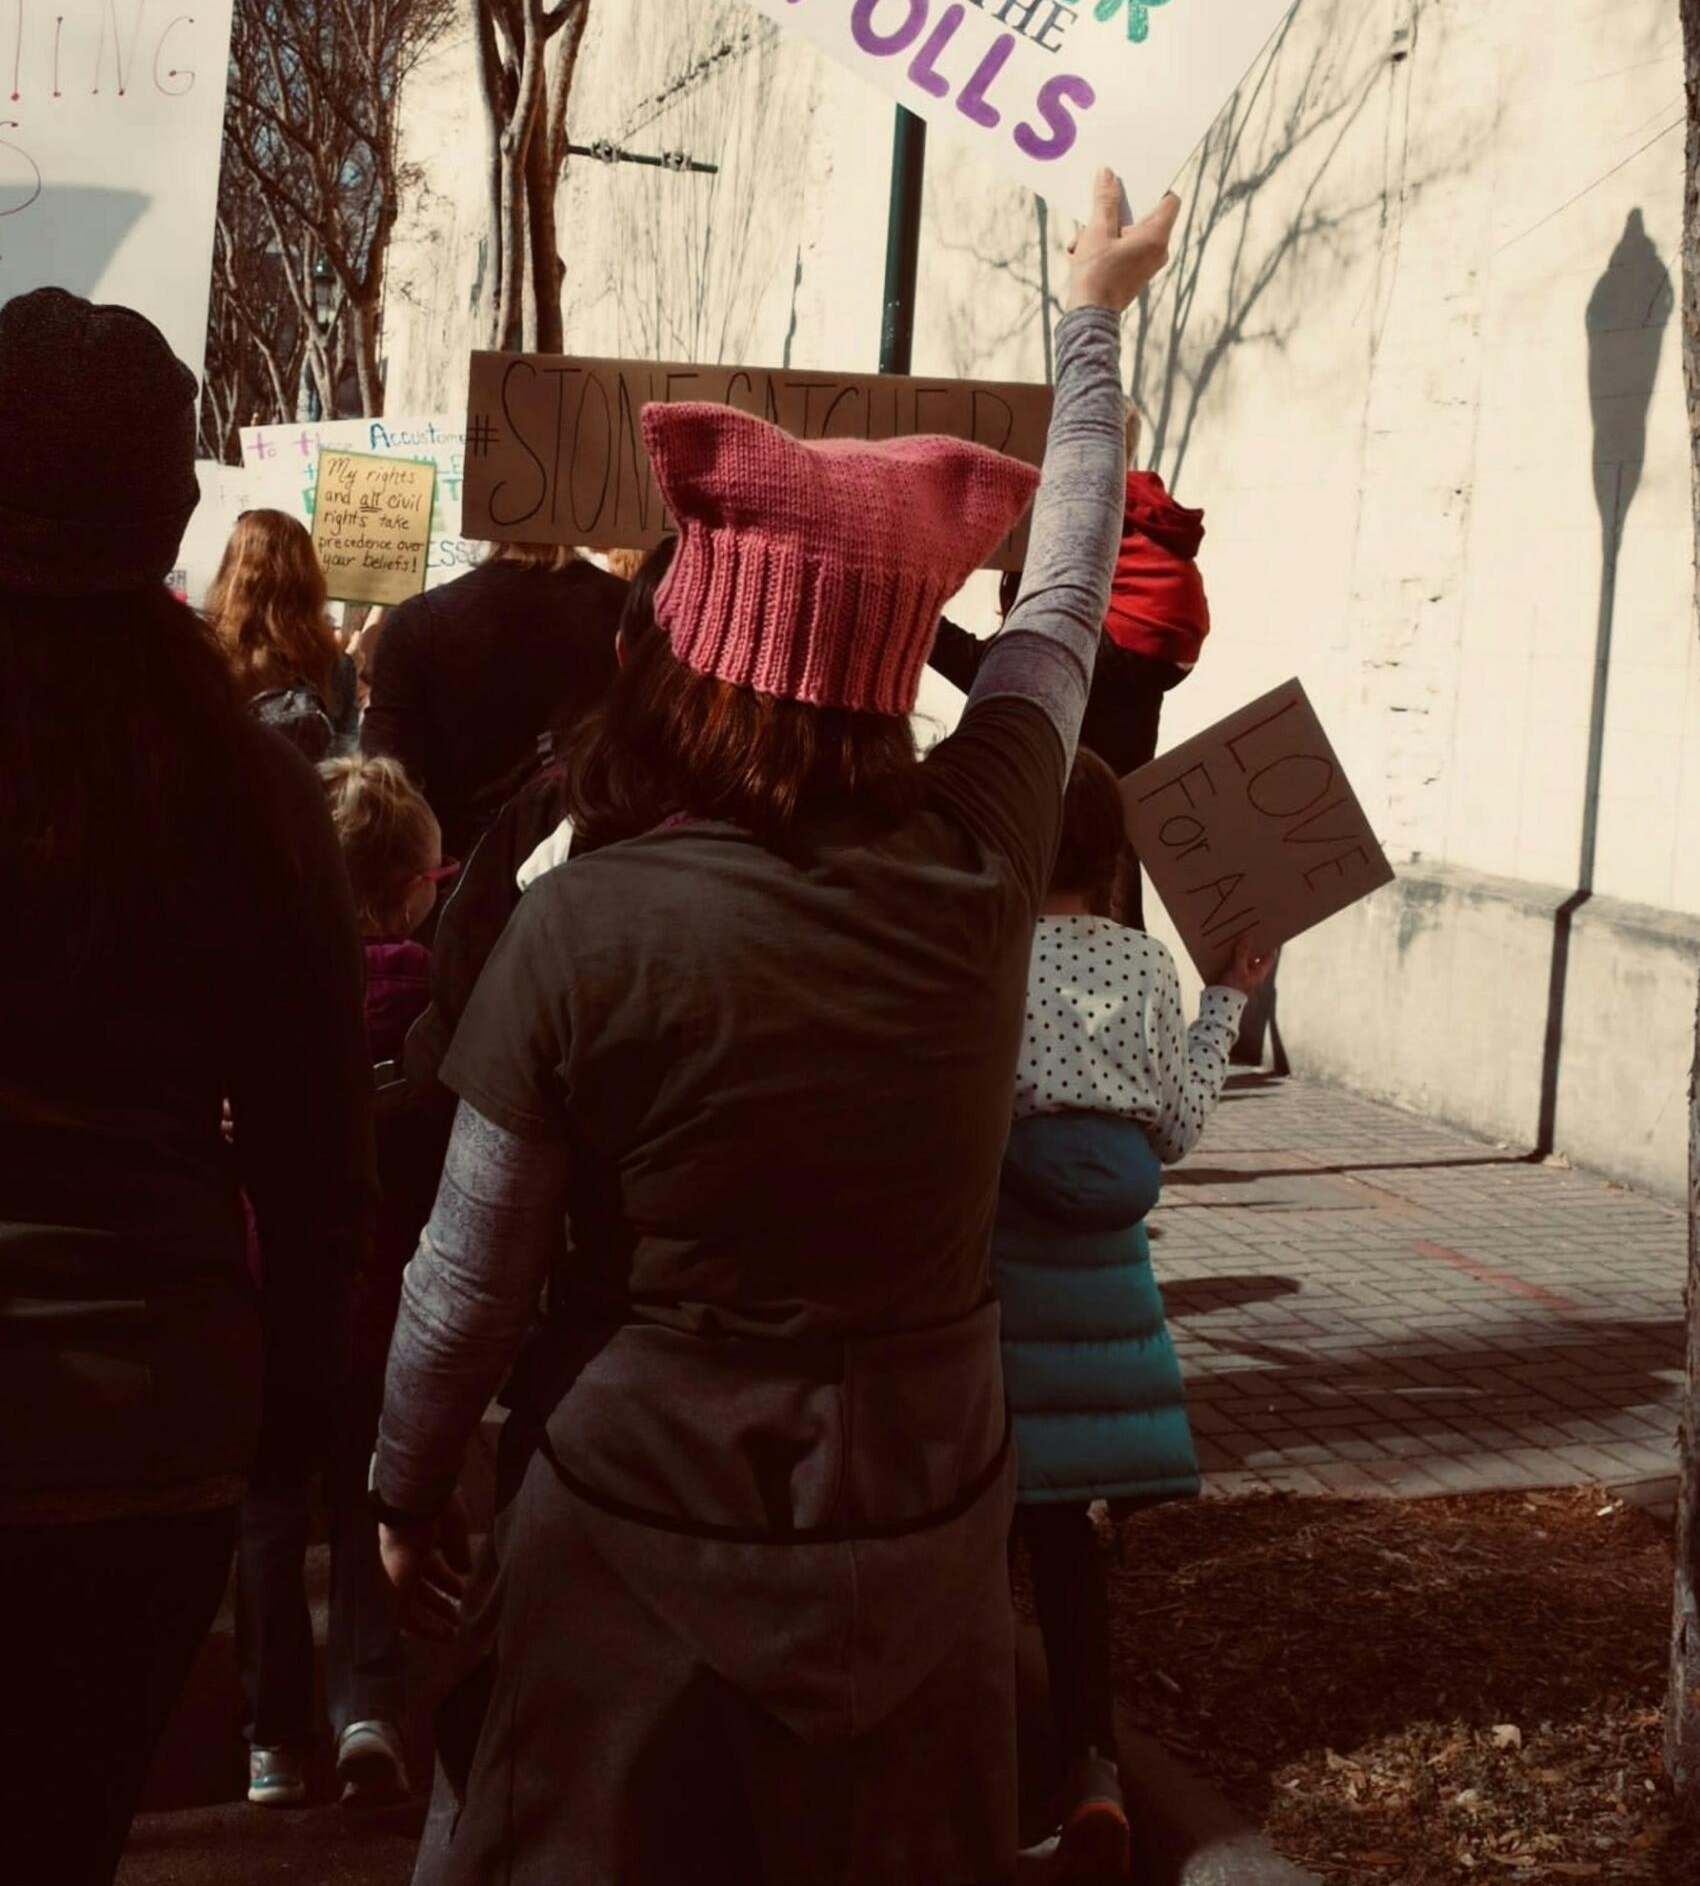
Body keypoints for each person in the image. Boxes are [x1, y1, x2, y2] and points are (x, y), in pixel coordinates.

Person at [369, 171, 1177, 1886]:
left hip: (628, 1568)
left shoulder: (583, 923)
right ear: (890, 667)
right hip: (924, 1556)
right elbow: (1057, 602)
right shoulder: (980, 860)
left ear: (678, 659)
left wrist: (403, 1479)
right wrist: (1089, 320)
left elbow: (467, 1279)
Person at [0, 287, 373, 1886]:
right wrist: (299, 1421)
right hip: (150, 1431)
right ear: (164, 506)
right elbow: (317, 1155)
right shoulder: (257, 784)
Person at [995, 747, 1276, 1878]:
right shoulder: (1147, 966)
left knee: (978, 1529)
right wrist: (1227, 997)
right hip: (1104, 1286)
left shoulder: (987, 956)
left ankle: (968, 1768)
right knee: (1067, 1544)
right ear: (1113, 854)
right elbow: (1175, 1125)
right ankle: (1093, 1768)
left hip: (1002, 1284)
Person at [236, 756, 455, 1811]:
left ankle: (274, 1737)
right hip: (392, 1302)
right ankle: (367, 1705)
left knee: (269, 1508)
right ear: (415, 884)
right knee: (370, 1506)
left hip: (273, 1295)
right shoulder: (435, 999)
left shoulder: (268, 992)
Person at [402, 538, 677, 1103]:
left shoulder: (423, 622)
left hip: (463, 924)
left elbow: (393, 777)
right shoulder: (836, 842)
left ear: (623, 653)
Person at [932, 420, 1209, 927]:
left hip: (1065, 811)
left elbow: (995, 673)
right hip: (1116, 781)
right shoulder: (1135, 520)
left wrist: (915, 611)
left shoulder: (1077, 518)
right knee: (1112, 860)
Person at [361, 542, 627, 867]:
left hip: (453, 882)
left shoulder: (419, 620)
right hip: (596, 873)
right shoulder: (632, 612)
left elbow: (387, 784)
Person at [207, 506, 359, 756]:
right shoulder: (337, 666)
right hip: (307, 794)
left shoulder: (205, 657)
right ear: (309, 578)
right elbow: (344, 765)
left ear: (232, 574)